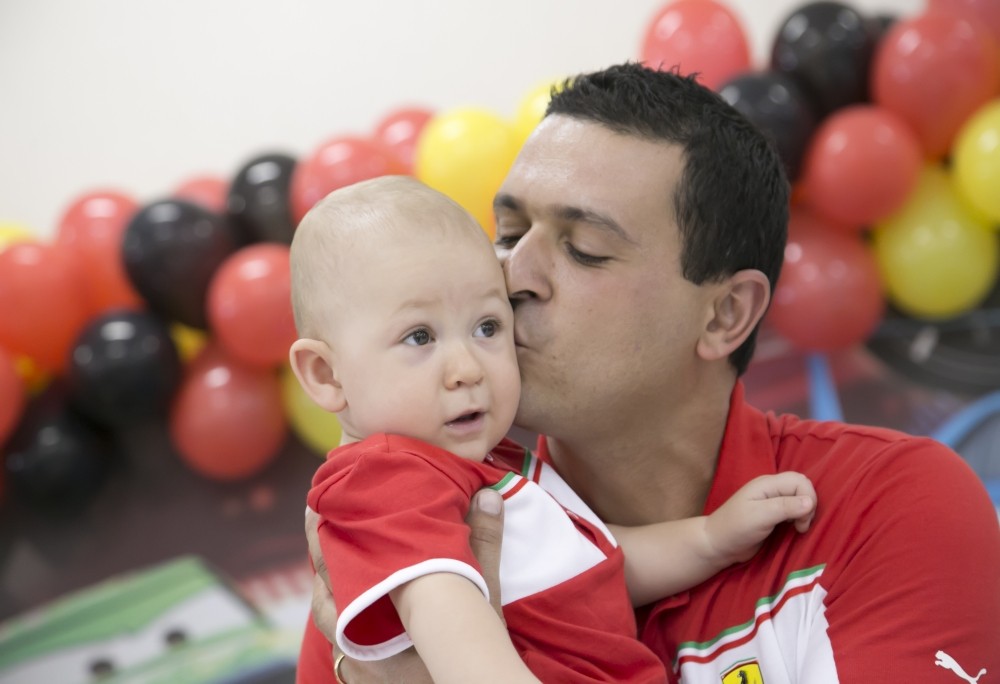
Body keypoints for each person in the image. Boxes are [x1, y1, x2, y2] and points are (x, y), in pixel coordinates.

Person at [305, 64, 1000, 683]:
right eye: (510, 233)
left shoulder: (882, 506)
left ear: (725, 314)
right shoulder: (377, 572)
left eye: (583, 249)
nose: (513, 275)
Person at [289, 175, 817, 684]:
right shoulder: (383, 482)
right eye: (419, 336)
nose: (468, 367)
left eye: (487, 327)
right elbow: (453, 630)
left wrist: (709, 538)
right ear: (326, 375)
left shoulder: (487, 466)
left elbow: (590, 567)